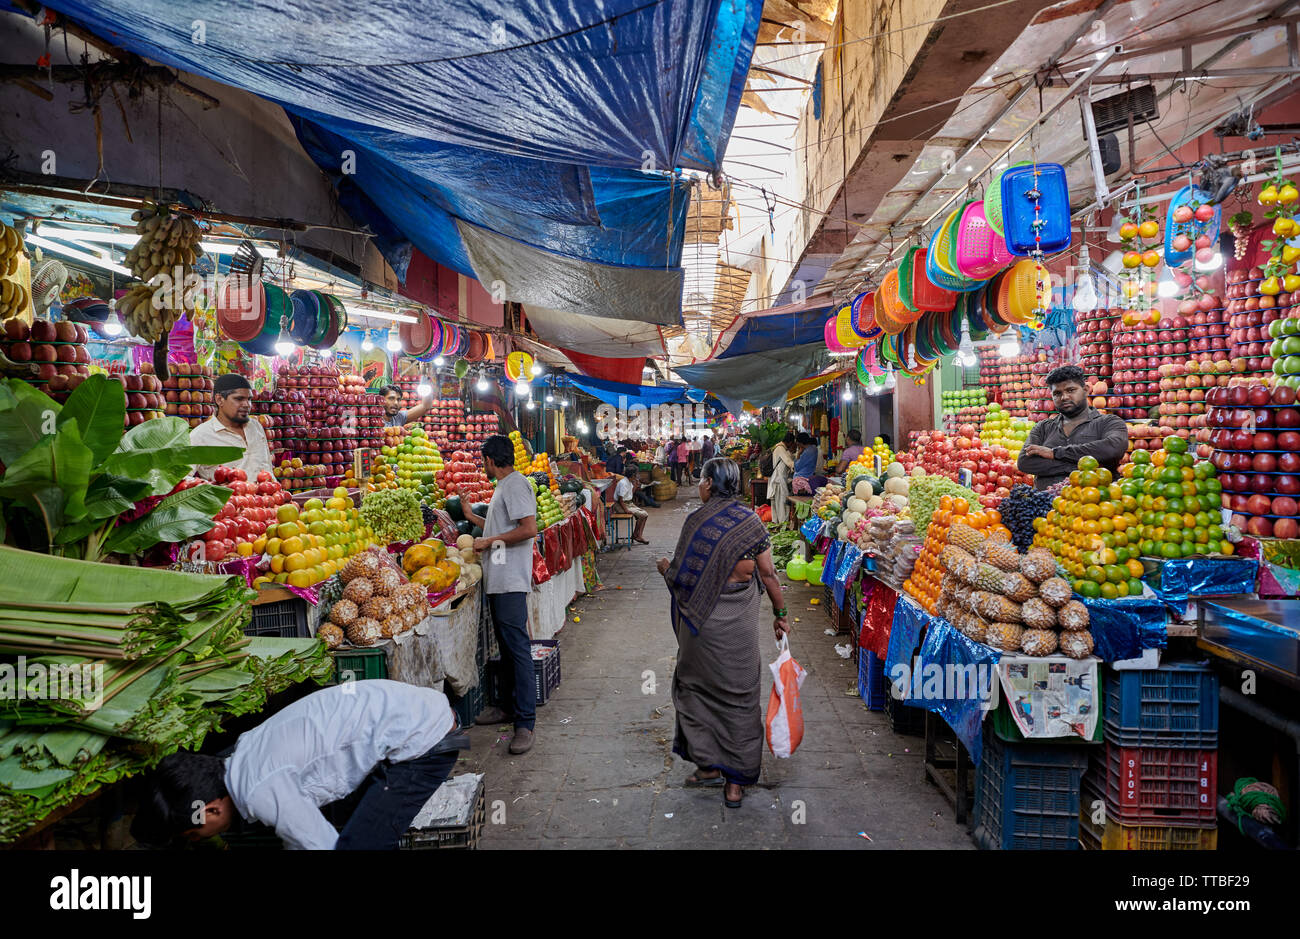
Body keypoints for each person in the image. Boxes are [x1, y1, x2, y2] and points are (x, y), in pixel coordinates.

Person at [131, 681, 461, 850]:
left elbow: (319, 845)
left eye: (194, 833)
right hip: (414, 713)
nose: (199, 839)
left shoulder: (261, 790)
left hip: (424, 741)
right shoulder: (244, 753)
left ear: (211, 811)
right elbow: (300, 831)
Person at [656, 458, 789, 809]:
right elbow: (770, 575)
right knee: (741, 700)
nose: (699, 485)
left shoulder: (696, 522)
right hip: (739, 634)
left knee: (694, 690)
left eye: (702, 480)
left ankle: (706, 765)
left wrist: (665, 569)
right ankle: (734, 783)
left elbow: (683, 579)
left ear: (710, 485)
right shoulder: (750, 522)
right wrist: (781, 614)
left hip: (701, 632)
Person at [461, 435, 539, 754]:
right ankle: (507, 708)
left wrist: (485, 543)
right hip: (499, 581)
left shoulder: (517, 485)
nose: (484, 465)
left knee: (518, 650)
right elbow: (498, 529)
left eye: (484, 461)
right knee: (507, 650)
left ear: (491, 461)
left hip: (510, 581)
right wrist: (470, 517)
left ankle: (525, 723)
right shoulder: (503, 488)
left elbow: (528, 529)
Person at [1017, 365, 1129, 490]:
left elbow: (1113, 448)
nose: (1064, 397)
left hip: (1093, 504)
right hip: (1046, 505)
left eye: (1070, 390)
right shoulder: (1043, 428)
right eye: (1057, 393)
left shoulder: (1109, 422)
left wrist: (1054, 453)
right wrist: (1082, 467)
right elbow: (1025, 463)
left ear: (1086, 390)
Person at [190, 373, 274, 481]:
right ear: (219, 399)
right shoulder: (200, 436)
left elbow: (268, 469)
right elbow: (181, 478)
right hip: (227, 498)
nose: (247, 405)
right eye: (239, 399)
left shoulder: (256, 427)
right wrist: (209, 488)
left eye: (249, 399)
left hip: (267, 497)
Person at [613, 473, 650, 543]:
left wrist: (635, 485)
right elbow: (620, 500)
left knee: (645, 515)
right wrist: (626, 510)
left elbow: (630, 495)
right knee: (643, 515)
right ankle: (637, 536)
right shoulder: (623, 483)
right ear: (632, 476)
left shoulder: (629, 482)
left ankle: (637, 535)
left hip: (628, 503)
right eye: (636, 476)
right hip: (620, 506)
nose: (637, 477)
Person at [769, 431, 796, 525]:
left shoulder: (780, 449)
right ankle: (782, 524)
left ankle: (777, 523)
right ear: (789, 442)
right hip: (778, 479)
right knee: (781, 502)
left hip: (777, 479)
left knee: (777, 503)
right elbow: (790, 463)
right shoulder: (780, 448)